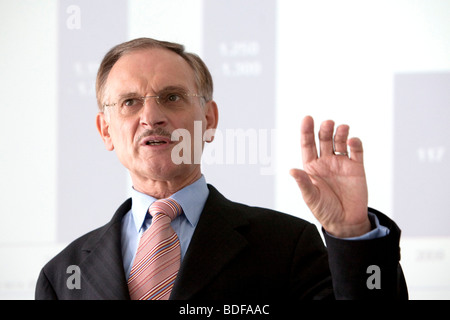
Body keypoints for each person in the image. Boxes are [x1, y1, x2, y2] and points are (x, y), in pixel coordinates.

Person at [35, 37, 407, 300]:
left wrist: (352, 233)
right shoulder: (63, 276)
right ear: (106, 130)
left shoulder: (289, 247)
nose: (152, 117)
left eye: (172, 97)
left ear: (209, 119)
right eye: (130, 102)